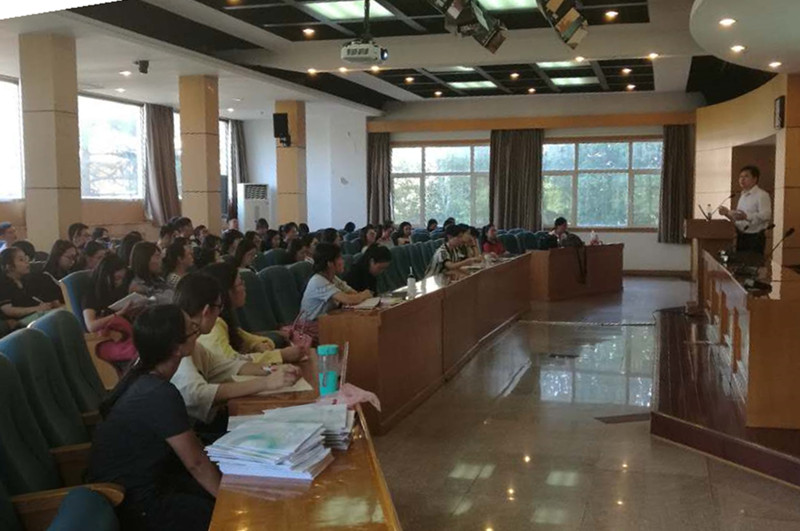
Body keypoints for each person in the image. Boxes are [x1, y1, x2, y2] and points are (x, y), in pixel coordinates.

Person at [88, 305, 220, 530]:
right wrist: (231, 500)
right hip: (137, 503)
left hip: (157, 480)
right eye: (192, 329)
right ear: (176, 348)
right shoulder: (157, 393)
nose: (197, 331)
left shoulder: (143, 376)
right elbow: (196, 464)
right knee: (225, 516)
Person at [171, 273, 301, 427]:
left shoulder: (195, 345)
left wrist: (273, 370)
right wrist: (266, 383)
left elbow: (231, 365)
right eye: (219, 307)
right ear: (207, 311)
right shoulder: (181, 348)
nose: (220, 313)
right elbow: (197, 395)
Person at [201, 263, 306, 365]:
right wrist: (281, 355)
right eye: (240, 283)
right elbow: (230, 363)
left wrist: (259, 345)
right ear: (227, 291)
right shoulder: (214, 325)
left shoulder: (224, 320)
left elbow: (249, 339)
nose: (244, 287)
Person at [300, 243, 372, 321]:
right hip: (310, 324)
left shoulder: (332, 277)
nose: (343, 261)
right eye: (339, 258)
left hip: (326, 320)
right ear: (329, 264)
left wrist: (359, 296)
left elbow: (351, 292)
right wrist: (364, 294)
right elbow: (347, 299)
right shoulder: (318, 281)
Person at [720, 165, 772, 255]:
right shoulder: (743, 195)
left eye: (746, 176)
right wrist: (727, 213)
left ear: (755, 179)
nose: (742, 179)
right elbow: (739, 218)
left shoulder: (762, 195)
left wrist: (746, 216)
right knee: (740, 262)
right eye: (740, 177)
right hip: (741, 235)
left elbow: (766, 215)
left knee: (752, 262)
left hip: (755, 237)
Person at [0, 247, 55, 323]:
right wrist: (37, 308)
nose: (27, 262)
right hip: (19, 322)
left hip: (34, 315)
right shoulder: (3, 284)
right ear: (9, 266)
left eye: (26, 258)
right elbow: (9, 310)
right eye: (21, 260)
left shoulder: (26, 279)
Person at [83, 254, 135, 333]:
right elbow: (91, 326)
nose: (120, 282)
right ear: (106, 276)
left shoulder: (119, 290)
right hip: (109, 335)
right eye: (117, 278)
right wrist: (120, 313)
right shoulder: (91, 294)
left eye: (122, 279)